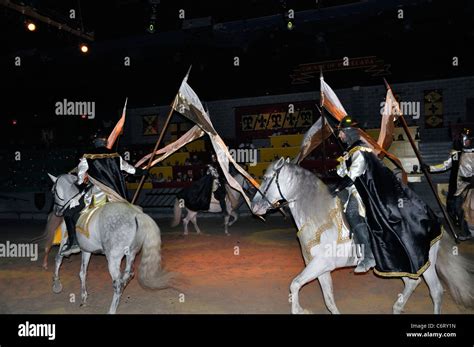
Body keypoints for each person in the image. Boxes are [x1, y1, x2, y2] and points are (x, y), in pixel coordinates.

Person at [331, 116, 442, 277]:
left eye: (340, 133)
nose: (339, 136)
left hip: (361, 192)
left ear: (348, 132)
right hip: (352, 190)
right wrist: (340, 165)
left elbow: (352, 176)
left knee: (352, 213)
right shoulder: (350, 151)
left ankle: (368, 256)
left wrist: (335, 188)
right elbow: (343, 173)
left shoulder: (360, 151)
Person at [60, 130, 148, 257]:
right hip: (115, 195)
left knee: (68, 213)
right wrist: (143, 172)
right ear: (106, 142)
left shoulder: (87, 157)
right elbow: (131, 169)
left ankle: (73, 243)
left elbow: (80, 178)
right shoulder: (116, 156)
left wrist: (81, 182)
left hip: (96, 195)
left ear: (94, 143)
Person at [425, 127, 474, 240]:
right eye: (463, 139)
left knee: (465, 208)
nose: (464, 141)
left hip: (471, 187)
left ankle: (467, 232)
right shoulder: (456, 154)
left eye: (466, 139)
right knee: (455, 208)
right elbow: (444, 165)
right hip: (459, 187)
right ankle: (465, 231)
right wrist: (430, 168)